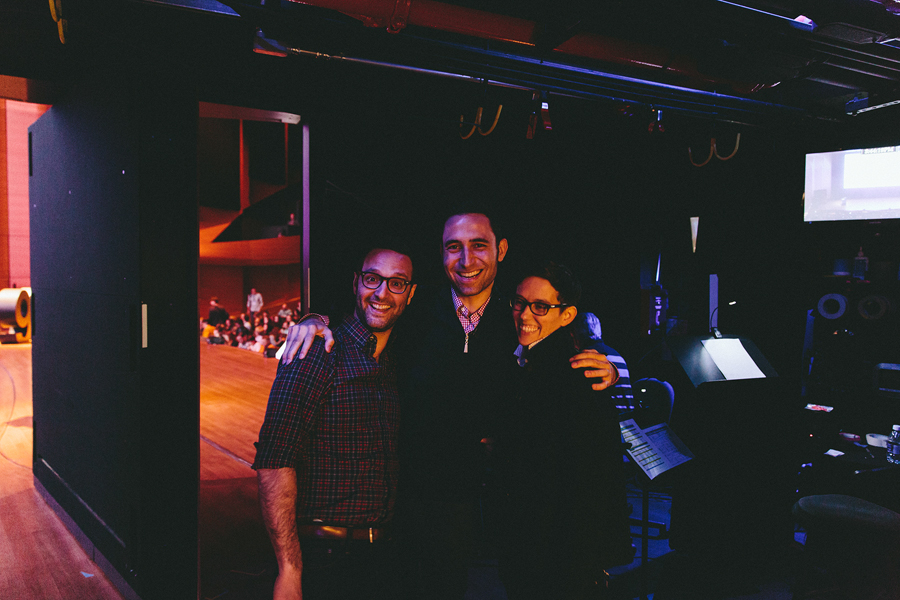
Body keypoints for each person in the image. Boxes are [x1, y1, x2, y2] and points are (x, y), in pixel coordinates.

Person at [280, 209, 625, 599]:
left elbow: (561, 346)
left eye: (478, 245)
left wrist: (610, 369)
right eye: (453, 247)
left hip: (500, 514)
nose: (466, 259)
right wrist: (312, 317)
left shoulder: (517, 313)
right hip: (411, 509)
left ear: (501, 250)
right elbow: (365, 308)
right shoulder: (415, 307)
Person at [252, 244, 417, 600]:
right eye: (372, 279)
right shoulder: (317, 350)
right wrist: (289, 570)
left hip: (380, 559)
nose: (382, 293)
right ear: (356, 282)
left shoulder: (395, 363)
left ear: (410, 293)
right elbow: (274, 460)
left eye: (397, 283)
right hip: (324, 560)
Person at [496, 261, 631, 600]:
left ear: (567, 315)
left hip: (553, 553)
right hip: (540, 545)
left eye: (540, 306)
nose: (525, 314)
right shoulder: (529, 361)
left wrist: (584, 565)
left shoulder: (574, 374)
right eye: (519, 302)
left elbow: (589, 482)